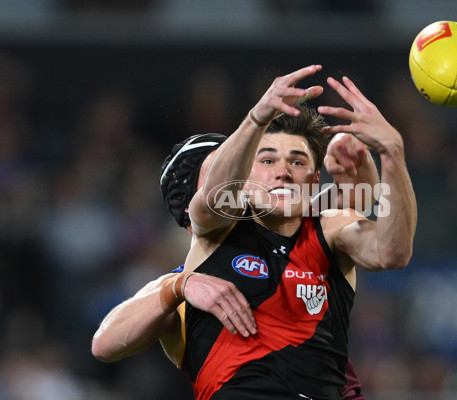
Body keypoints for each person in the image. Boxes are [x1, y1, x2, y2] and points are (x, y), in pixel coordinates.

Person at [172, 64, 417, 399]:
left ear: (315, 181)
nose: (284, 172)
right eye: (268, 160)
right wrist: (257, 117)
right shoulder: (216, 227)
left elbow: (393, 252)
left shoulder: (330, 229)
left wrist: (393, 154)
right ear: (244, 178)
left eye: (298, 162)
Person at [92, 130, 377, 399]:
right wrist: (178, 286)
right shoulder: (184, 287)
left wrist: (363, 161)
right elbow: (104, 344)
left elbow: (357, 202)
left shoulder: (303, 237)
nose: (239, 177)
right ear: (194, 200)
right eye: (224, 169)